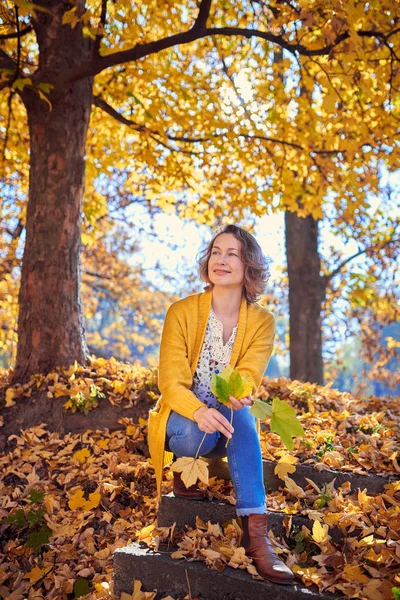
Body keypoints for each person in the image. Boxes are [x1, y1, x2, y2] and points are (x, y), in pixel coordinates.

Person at [147, 224, 294, 585]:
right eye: (216, 252)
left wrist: (238, 394)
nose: (221, 260)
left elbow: (248, 373)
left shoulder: (262, 322)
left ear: (249, 267)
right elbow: (170, 382)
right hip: (184, 423)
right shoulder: (181, 311)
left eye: (232, 253)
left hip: (227, 427)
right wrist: (199, 409)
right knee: (197, 425)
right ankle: (185, 468)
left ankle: (256, 533)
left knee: (243, 414)